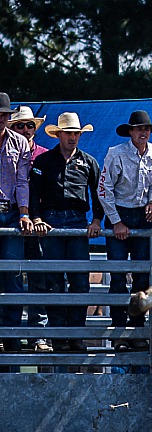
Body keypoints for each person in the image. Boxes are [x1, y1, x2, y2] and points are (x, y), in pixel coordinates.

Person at [30, 112, 102, 353]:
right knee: (54, 281)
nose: (73, 137)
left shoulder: (89, 162)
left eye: (76, 133)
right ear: (59, 134)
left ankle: (76, 334)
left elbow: (97, 194)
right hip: (51, 220)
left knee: (80, 281)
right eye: (69, 133)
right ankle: (59, 336)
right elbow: (34, 192)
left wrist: (97, 219)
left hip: (78, 221)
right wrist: (37, 217)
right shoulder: (44, 162)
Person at [98, 110, 152, 351]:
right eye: (139, 129)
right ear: (131, 132)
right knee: (117, 274)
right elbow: (104, 189)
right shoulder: (116, 154)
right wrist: (116, 221)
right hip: (121, 213)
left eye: (146, 129)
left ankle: (136, 328)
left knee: (142, 276)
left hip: (141, 216)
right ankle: (118, 331)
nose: (143, 132)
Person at [9, 105, 51, 352]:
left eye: (29, 125)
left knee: (39, 277)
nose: (25, 129)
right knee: (10, 277)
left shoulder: (46, 155)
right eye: (20, 125)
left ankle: (39, 335)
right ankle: (10, 333)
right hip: (15, 217)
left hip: (39, 223)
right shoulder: (9, 150)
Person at [0, 93, 33, 353]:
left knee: (12, 274)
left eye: (4, 115)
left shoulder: (20, 143)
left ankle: (11, 336)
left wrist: (24, 212)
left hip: (10, 212)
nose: (1, 119)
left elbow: (23, 181)